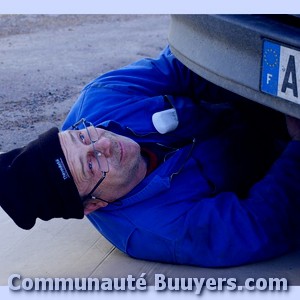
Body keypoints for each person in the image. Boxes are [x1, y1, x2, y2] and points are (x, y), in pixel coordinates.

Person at [1, 46, 300, 268]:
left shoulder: (97, 101)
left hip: (253, 99)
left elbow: (186, 64)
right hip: (281, 158)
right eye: (91, 165)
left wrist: (271, 88)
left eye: (81, 136)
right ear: (94, 204)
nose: (101, 143)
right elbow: (260, 223)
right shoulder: (156, 230)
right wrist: (297, 143)